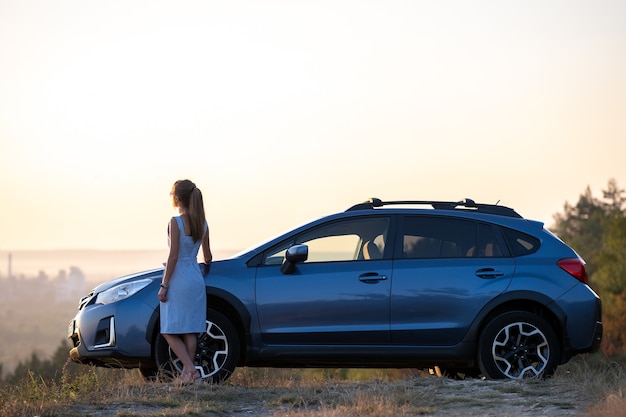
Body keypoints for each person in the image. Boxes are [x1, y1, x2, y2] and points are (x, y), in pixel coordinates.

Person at [158, 179, 212, 384]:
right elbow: (207, 257)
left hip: (179, 279)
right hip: (196, 278)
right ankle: (186, 376)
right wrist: (202, 270)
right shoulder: (203, 224)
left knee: (168, 329)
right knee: (190, 329)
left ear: (178, 198)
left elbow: (173, 257)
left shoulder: (176, 222)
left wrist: (164, 285)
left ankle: (191, 369)